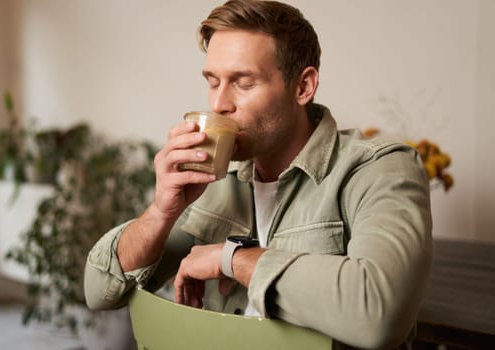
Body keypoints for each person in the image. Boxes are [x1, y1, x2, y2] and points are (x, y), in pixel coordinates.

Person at [84, 0, 433, 348]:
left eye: (243, 83)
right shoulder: (213, 181)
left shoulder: (379, 169)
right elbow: (98, 291)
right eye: (213, 81)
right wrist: (161, 211)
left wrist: (232, 259)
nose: (219, 104)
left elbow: (380, 315)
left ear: (303, 87)